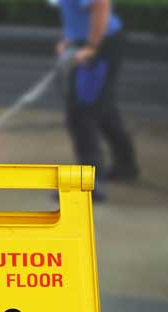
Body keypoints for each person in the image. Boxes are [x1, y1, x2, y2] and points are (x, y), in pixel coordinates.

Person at [53, 0, 140, 201]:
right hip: (94, 42)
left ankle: (90, 185)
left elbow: (101, 5)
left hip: (100, 46)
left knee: (82, 114)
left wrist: (92, 47)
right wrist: (70, 38)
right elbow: (76, 11)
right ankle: (125, 166)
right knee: (104, 109)